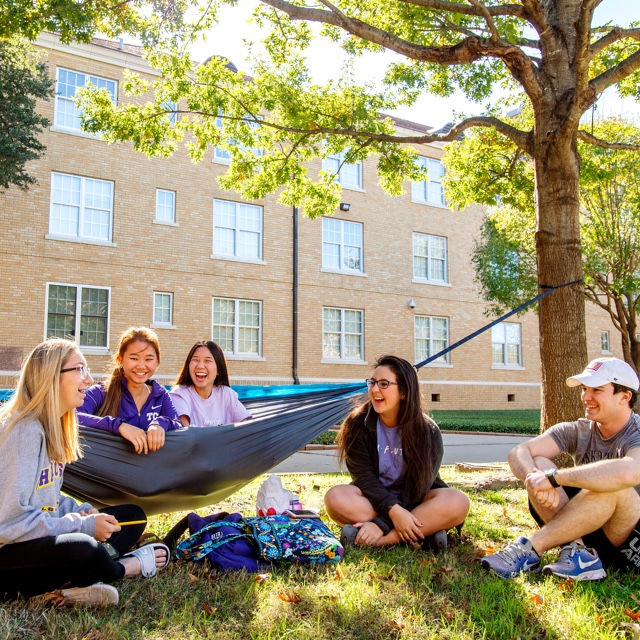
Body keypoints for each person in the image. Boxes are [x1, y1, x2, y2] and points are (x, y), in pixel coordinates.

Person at [0, 339, 169, 606]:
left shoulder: (51, 427)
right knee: (83, 546)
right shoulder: (23, 432)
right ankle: (121, 568)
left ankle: (72, 585)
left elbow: (48, 501)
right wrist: (83, 526)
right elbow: (9, 526)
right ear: (52, 376)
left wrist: (84, 511)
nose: (89, 379)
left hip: (32, 544)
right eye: (79, 369)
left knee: (131, 517)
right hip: (6, 555)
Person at [482, 357, 640, 581]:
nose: (586, 396)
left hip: (630, 544)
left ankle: (531, 548)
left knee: (613, 485)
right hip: (587, 528)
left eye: (597, 389)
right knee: (538, 463)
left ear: (624, 397)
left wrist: (555, 478)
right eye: (584, 389)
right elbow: (519, 451)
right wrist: (534, 476)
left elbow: (629, 472)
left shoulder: (637, 432)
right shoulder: (578, 430)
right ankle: (579, 552)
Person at [324, 355, 469, 549]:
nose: (375, 389)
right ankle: (423, 533)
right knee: (335, 497)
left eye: (384, 384)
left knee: (457, 501)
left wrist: (381, 524)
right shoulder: (357, 424)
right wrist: (392, 512)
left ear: (403, 392)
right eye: (372, 382)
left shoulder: (427, 431)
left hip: (417, 500)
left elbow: (420, 485)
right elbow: (364, 478)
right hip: (374, 500)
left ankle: (381, 539)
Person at [77, 327, 181, 454]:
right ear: (120, 359)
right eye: (134, 358)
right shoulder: (101, 392)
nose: (141, 366)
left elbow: (178, 426)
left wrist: (160, 423)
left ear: (157, 361)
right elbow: (72, 416)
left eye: (148, 359)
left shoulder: (160, 395)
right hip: (105, 471)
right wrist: (118, 425)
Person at [170, 340, 252, 428]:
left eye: (207, 361)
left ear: (218, 370)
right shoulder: (179, 395)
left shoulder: (226, 394)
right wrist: (225, 429)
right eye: (195, 360)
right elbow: (186, 434)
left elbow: (247, 427)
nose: (200, 366)